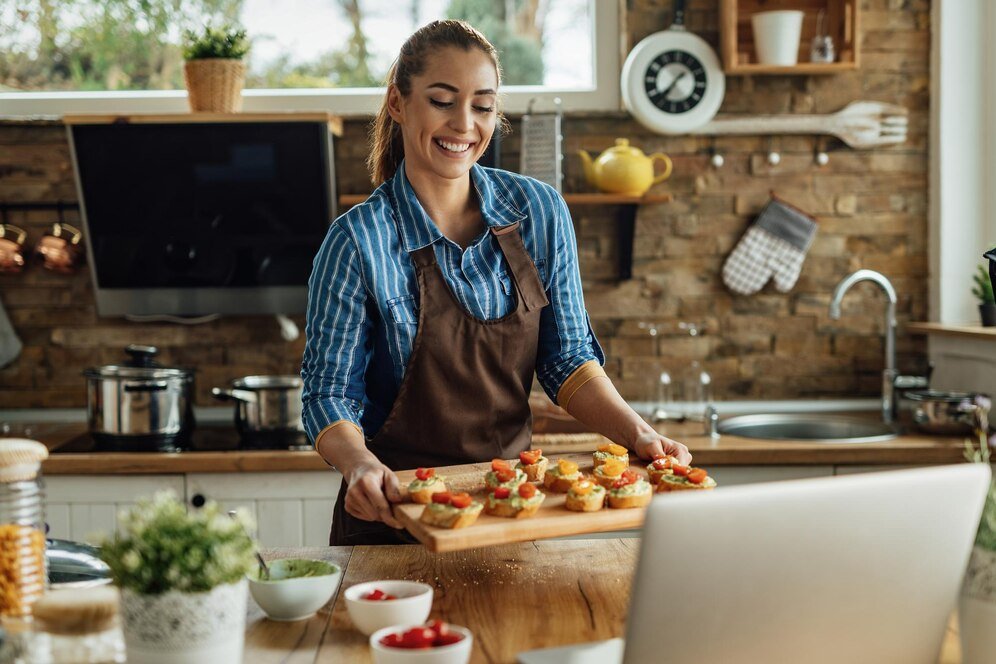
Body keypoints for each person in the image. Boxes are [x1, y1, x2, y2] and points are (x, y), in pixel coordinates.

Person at [302, 19, 691, 546]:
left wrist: (637, 432)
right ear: (398, 102)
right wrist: (359, 466)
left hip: (508, 514)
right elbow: (329, 394)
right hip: (394, 519)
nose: (464, 124)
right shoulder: (356, 241)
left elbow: (567, 358)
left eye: (482, 106)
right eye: (442, 100)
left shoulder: (539, 211)